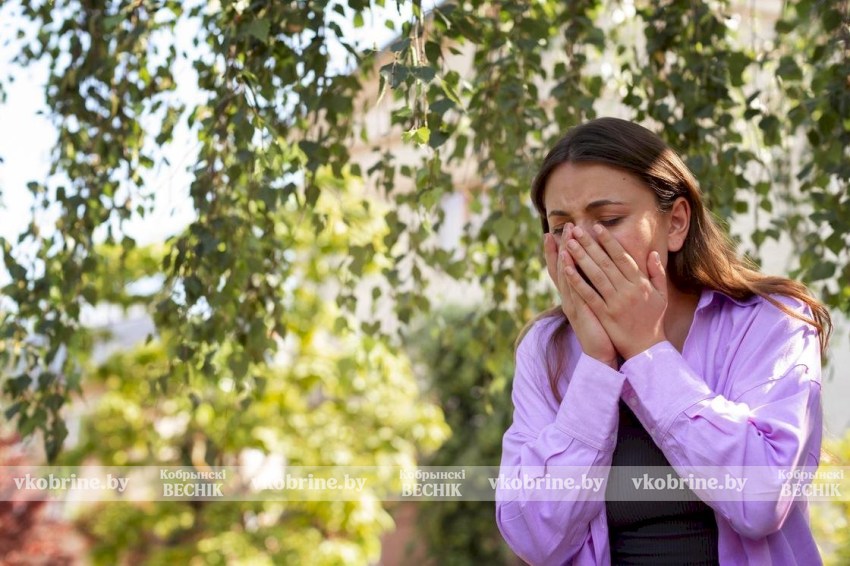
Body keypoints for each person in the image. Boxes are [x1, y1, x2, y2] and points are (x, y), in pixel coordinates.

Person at [495, 117, 832, 565]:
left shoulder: (771, 322)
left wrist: (647, 352)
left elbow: (762, 496)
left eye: (608, 219)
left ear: (675, 223)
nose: (579, 244)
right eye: (561, 227)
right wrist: (597, 366)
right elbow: (533, 537)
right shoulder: (547, 348)